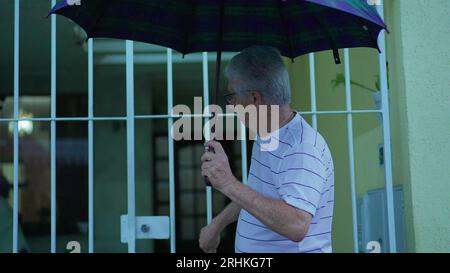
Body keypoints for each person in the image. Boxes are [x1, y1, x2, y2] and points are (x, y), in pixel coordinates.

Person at [199, 46, 334, 253]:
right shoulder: (268, 136)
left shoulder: (301, 148)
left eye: (232, 96)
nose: (231, 105)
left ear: (254, 98)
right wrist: (217, 225)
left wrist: (227, 183)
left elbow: (296, 225)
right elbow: (259, 196)